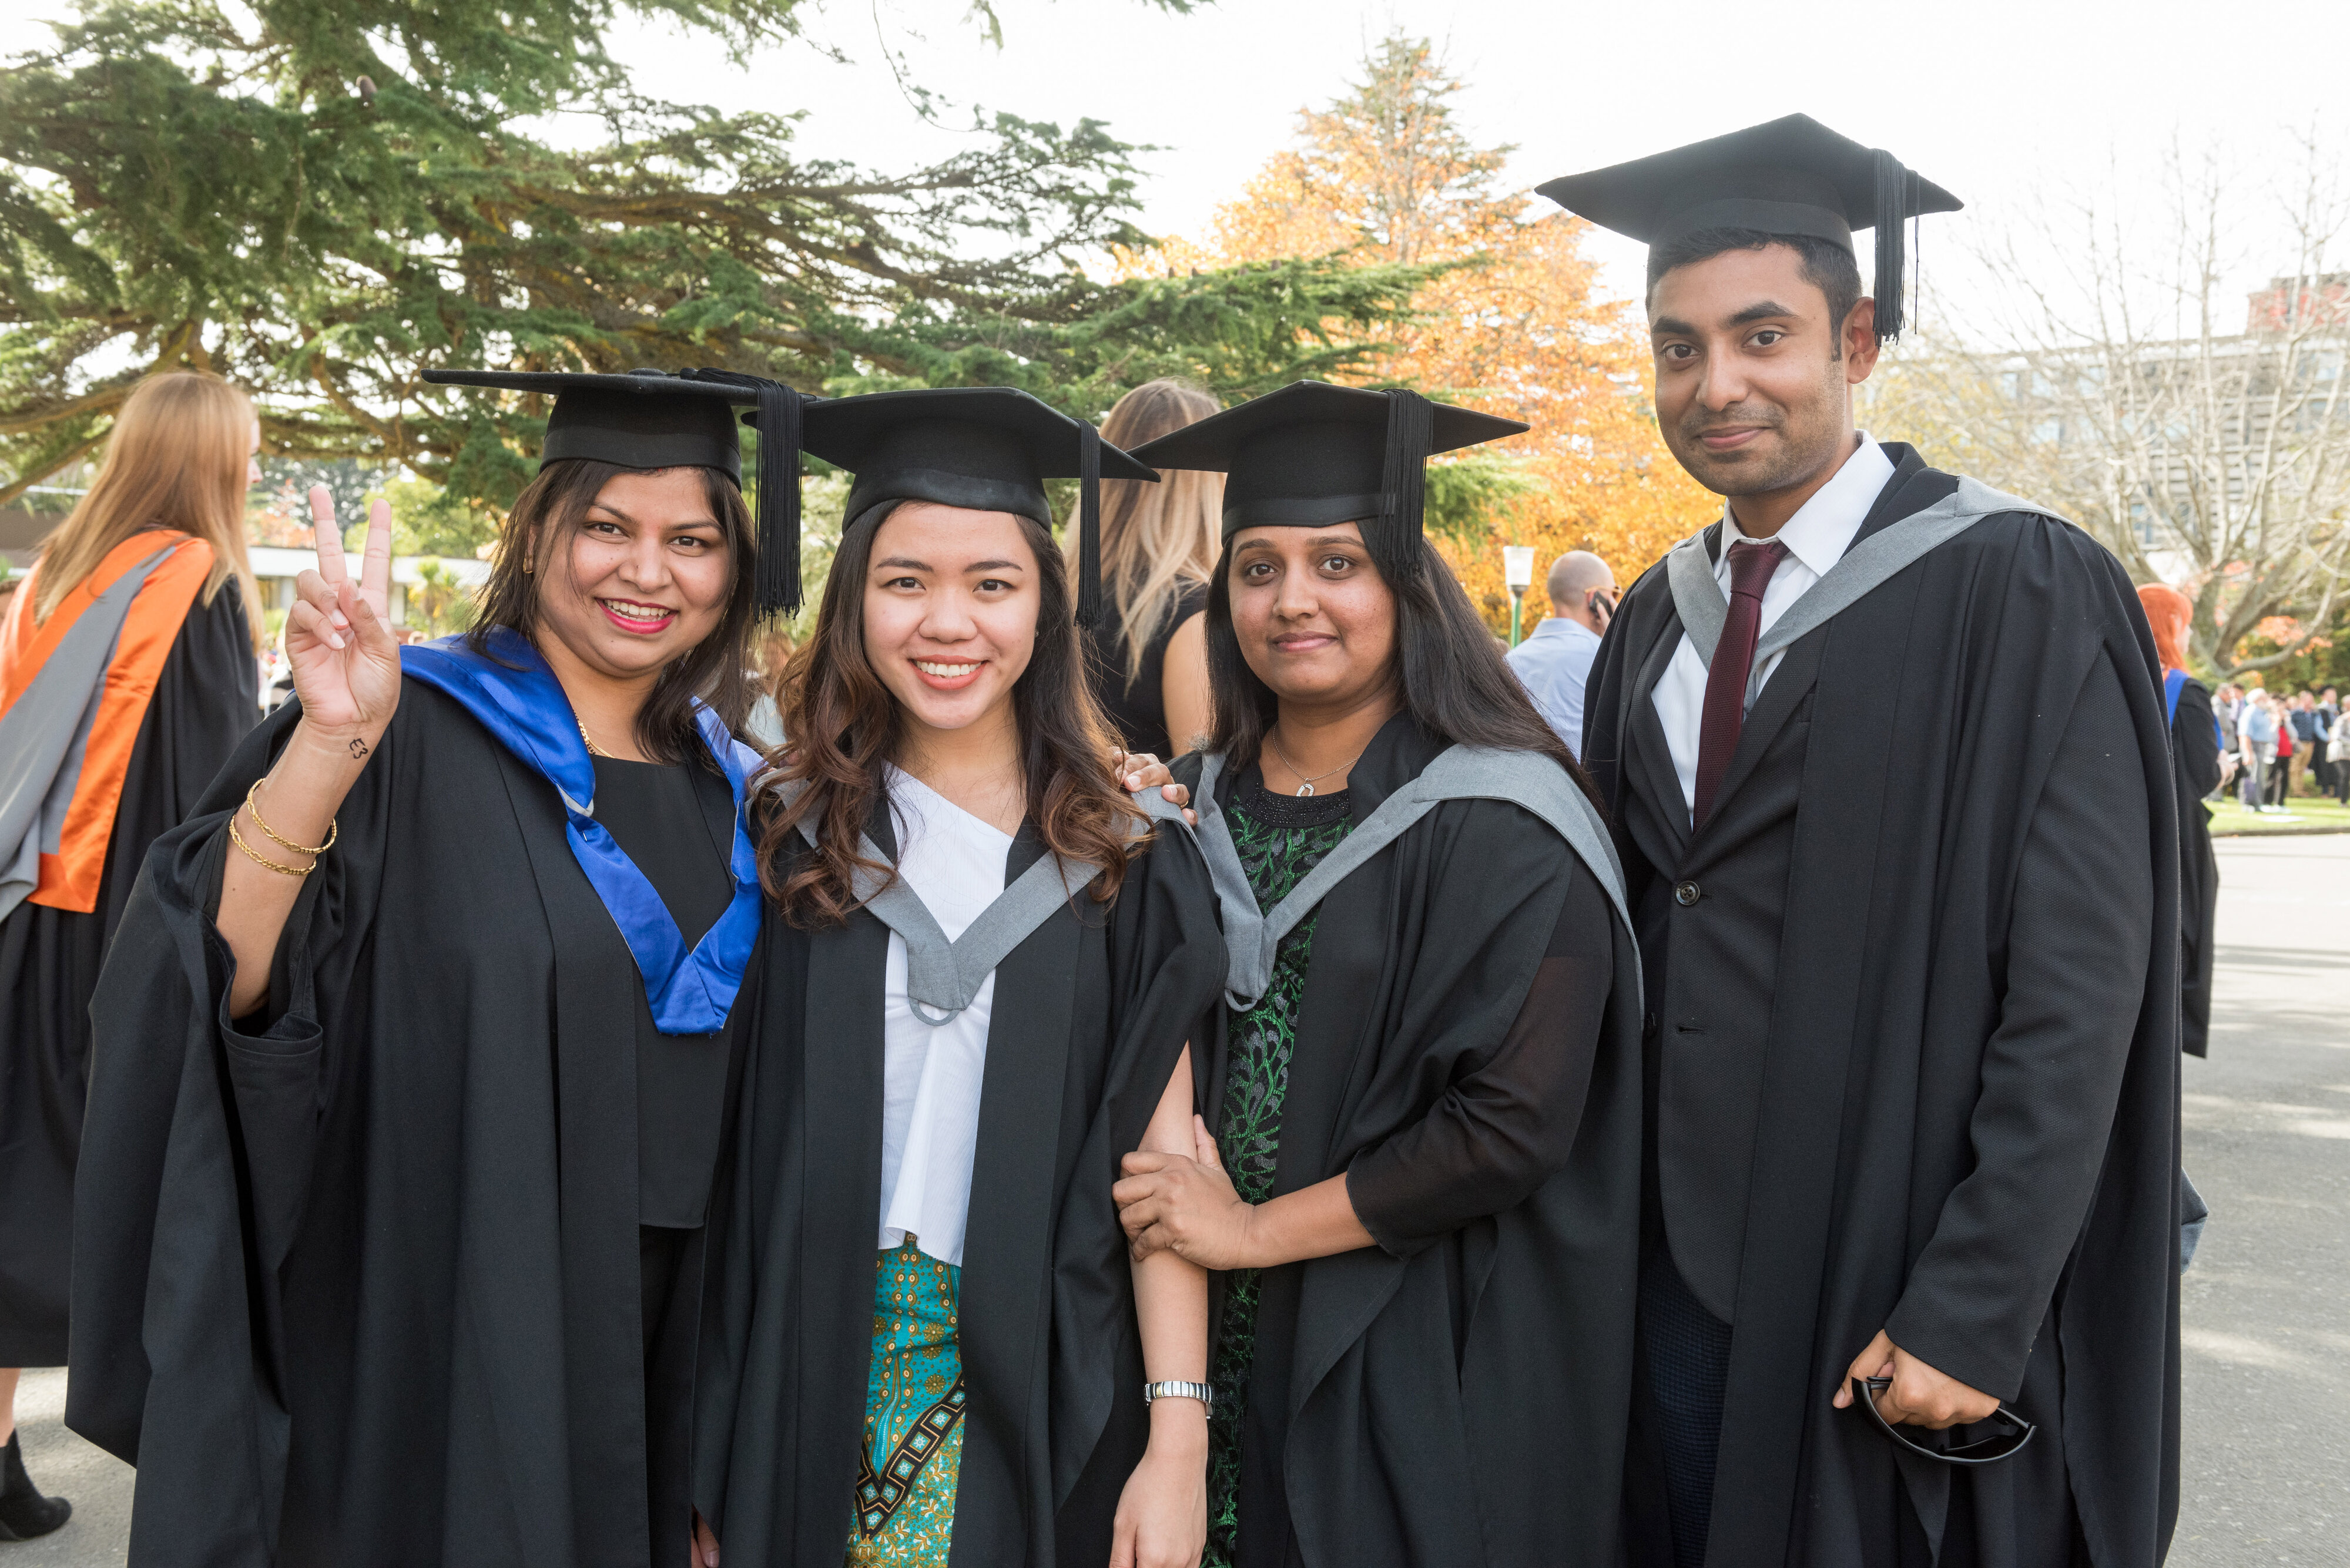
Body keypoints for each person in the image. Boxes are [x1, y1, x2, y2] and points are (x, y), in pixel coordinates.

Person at [1546, 116, 2181, 1567]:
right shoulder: (1654, 611)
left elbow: (2084, 985)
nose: (1718, 384)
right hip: (1671, 1267)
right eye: (1677, 345)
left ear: (1859, 341)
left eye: (1761, 334)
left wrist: (1978, 1297)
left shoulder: (2013, 583)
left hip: (1888, 1256)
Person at [68, 366, 807, 1567]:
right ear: (539, 532)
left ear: (734, 568)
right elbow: (225, 979)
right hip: (458, 1336)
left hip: (678, 1359)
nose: (647, 569)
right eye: (606, 527)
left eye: (691, 539)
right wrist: (330, 742)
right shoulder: (406, 730)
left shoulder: (743, 786)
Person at [689, 387, 1228, 1568]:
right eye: (903, 580)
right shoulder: (782, 837)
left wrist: (1176, 1436)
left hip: (1035, 1377)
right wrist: (708, 1444)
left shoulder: (1127, 856)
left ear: (1045, 601)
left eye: (992, 582)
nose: (948, 622)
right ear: (853, 599)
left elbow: (1164, 1162)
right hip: (795, 1373)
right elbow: (726, 1168)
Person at [1114, 381, 1645, 1568]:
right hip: (1179, 1354)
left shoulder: (1508, 816)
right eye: (1255, 568)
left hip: (1406, 1347)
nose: (1290, 598)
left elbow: (1509, 1125)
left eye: (1336, 562)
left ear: (1407, 584)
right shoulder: (1183, 808)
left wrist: (1248, 1231)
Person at [0, 370, 264, 1540]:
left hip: (13, 917)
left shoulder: (48, 574)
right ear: (219, 459)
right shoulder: (196, 582)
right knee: (102, 1201)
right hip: (99, 944)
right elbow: (208, 795)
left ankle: (1, 1454)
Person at [1077, 380, 1223, 760]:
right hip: (1147, 820)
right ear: (1208, 484)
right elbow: (1202, 791)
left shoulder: (1059, 600)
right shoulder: (1192, 612)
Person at [2140, 585, 2222, 1057]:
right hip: (2175, 837)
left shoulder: (2113, 674)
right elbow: (2201, 773)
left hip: (2126, 830)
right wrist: (2224, 768)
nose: (2189, 634)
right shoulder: (2182, 689)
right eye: (2185, 623)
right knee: (2180, 935)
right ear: (2170, 625)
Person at [1506, 549, 1617, 756]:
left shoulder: (1510, 661)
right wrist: (1615, 642)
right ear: (1596, 599)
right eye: (1614, 593)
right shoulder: (1605, 661)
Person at [2240, 692, 2278, 810]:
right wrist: (2247, 753)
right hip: (2254, 747)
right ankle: (2249, 803)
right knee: (2253, 776)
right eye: (2265, 697)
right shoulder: (2250, 712)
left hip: (2262, 747)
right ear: (2258, 699)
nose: (2267, 700)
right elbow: (2244, 734)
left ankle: (2257, 803)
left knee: (2260, 777)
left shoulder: (2262, 712)